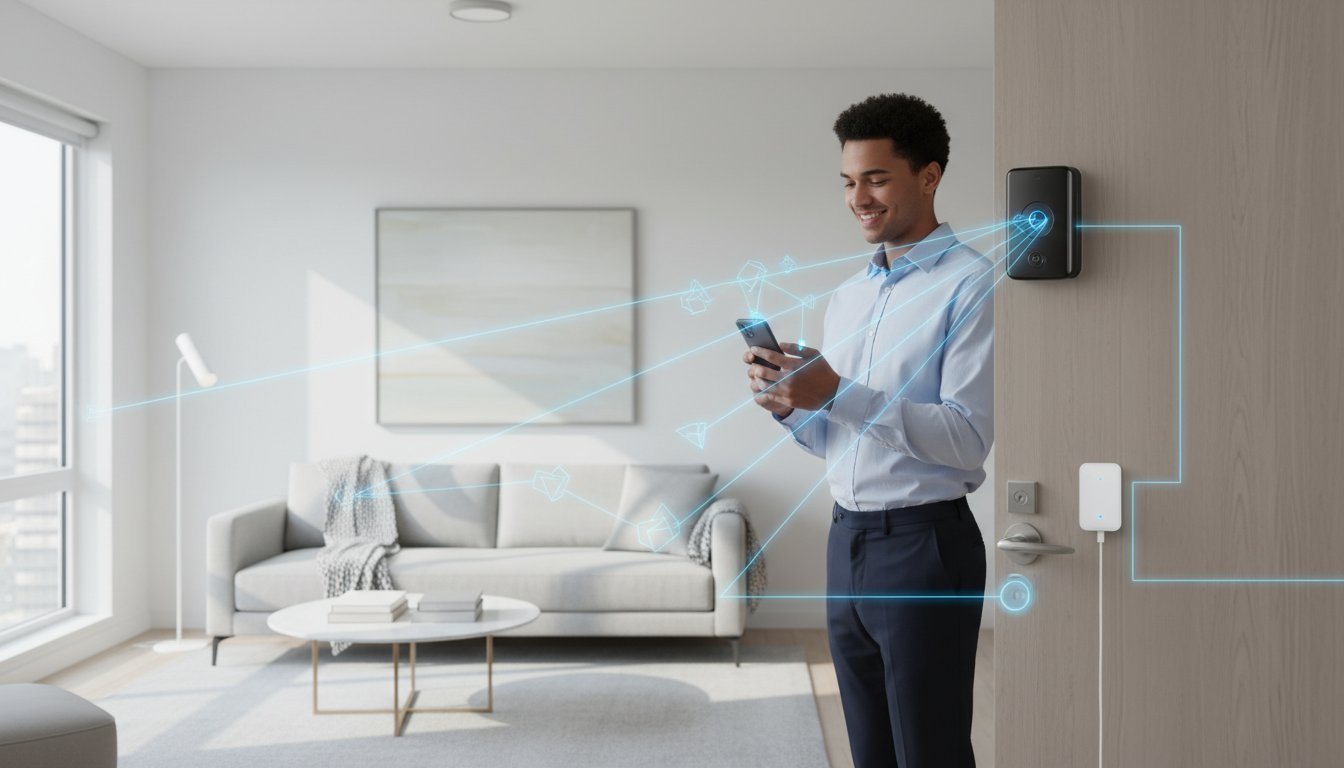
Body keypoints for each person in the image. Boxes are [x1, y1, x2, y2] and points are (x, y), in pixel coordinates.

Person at [743, 93, 992, 768]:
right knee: (871, 751)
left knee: (929, 750)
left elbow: (967, 438)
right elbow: (840, 436)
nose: (860, 198)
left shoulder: (971, 284)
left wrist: (841, 393)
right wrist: (793, 406)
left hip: (925, 546)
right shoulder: (849, 298)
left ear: (929, 176)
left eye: (877, 178)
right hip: (846, 538)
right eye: (850, 182)